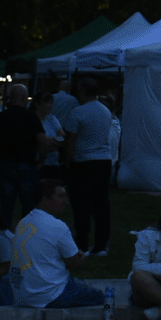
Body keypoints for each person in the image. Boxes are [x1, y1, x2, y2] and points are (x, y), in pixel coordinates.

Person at [10, 178, 105, 309]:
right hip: (50, 294)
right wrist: (80, 257)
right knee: (100, 296)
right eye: (61, 196)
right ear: (45, 199)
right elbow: (74, 261)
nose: (66, 201)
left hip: (22, 295)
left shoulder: (22, 223)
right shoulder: (57, 226)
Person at [64, 77, 115, 258]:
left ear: (83, 92)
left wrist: (67, 163)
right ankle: (101, 244)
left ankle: (82, 243)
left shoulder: (78, 112)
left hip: (83, 161)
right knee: (101, 203)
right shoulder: (106, 111)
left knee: (81, 204)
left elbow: (70, 141)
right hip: (104, 160)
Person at [0, 84, 45, 224]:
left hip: (6, 163)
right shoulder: (31, 116)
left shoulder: (2, 117)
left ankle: (4, 233)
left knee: (6, 207)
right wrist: (41, 161)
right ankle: (27, 233)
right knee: (29, 207)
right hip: (26, 163)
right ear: (24, 98)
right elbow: (42, 140)